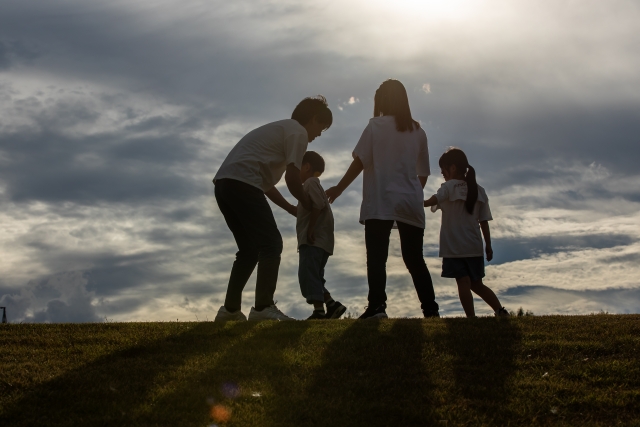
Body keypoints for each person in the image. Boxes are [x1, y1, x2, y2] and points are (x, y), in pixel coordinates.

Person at [326, 79, 439, 319]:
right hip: (410, 202)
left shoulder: (375, 126)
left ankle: (377, 307)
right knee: (414, 259)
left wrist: (339, 188)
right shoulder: (418, 131)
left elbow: (360, 162)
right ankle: (431, 310)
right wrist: (413, 193)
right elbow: (423, 173)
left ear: (382, 101)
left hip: (380, 201)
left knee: (377, 258)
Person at [213, 96, 333, 322]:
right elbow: (292, 178)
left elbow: (266, 185)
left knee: (249, 250)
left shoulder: (281, 130)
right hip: (242, 184)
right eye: (321, 128)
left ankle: (229, 311)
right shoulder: (298, 132)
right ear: (313, 118)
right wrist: (308, 205)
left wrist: (290, 208)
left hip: (224, 185)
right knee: (272, 243)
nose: (318, 135)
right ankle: (262, 308)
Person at [424, 147, 509, 317]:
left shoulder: (448, 187)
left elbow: (435, 199)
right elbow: (483, 221)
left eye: (443, 169)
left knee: (463, 281)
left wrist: (418, 202)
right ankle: (500, 311)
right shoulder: (479, 190)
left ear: (453, 168)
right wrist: (488, 246)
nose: (442, 173)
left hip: (454, 247)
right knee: (477, 284)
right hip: (474, 246)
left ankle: (471, 318)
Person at [296, 151, 347, 320]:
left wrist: (310, 230)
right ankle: (332, 305)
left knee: (307, 274)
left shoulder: (310, 183)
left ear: (307, 166)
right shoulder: (315, 185)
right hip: (321, 241)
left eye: (299, 167)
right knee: (315, 276)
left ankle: (319, 311)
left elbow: (318, 205)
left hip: (313, 241)